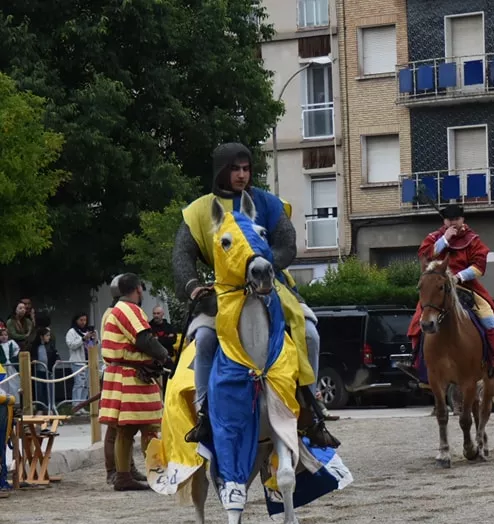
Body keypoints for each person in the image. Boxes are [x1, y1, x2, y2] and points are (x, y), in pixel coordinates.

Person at [173, 142, 325, 443]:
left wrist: (267, 267)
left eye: (246, 169)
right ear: (222, 172)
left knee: (310, 335)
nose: (242, 175)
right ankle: (204, 412)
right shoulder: (200, 211)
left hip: (272, 287)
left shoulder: (267, 203)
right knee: (204, 340)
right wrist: (192, 287)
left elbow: (286, 243)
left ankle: (311, 405)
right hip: (224, 293)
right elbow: (181, 255)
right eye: (235, 169)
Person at [402, 204, 494, 380]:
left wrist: (458, 277)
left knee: (489, 318)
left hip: (466, 285)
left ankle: (492, 362)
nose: (453, 222)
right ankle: (415, 362)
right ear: (444, 221)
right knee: (417, 321)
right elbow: (425, 256)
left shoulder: (473, 239)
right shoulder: (434, 237)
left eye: (456, 219)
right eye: (449, 220)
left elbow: (479, 266)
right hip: (437, 288)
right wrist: (444, 240)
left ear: (463, 219)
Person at [100, 273, 170, 490]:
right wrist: (164, 355)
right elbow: (143, 338)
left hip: (125, 373)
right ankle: (134, 475)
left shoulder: (114, 310)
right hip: (131, 376)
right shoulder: (129, 310)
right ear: (138, 289)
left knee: (134, 428)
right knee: (134, 429)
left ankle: (129, 473)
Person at [65, 312, 96, 412]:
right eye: (81, 320)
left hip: (88, 361)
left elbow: (94, 345)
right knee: (79, 383)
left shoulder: (88, 331)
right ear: (76, 320)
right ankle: (75, 405)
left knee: (86, 384)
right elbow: (71, 345)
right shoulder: (72, 332)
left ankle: (82, 405)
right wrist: (83, 339)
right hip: (77, 361)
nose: (83, 322)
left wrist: (94, 337)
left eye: (85, 320)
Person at [29, 327, 59, 413]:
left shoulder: (50, 345)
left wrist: (57, 359)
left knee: (49, 390)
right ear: (41, 337)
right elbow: (31, 355)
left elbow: (55, 353)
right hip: (38, 371)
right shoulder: (34, 346)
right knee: (39, 390)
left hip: (48, 371)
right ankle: (40, 408)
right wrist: (33, 360)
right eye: (47, 335)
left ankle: (50, 407)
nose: (49, 337)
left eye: (49, 335)